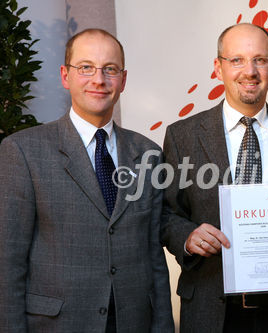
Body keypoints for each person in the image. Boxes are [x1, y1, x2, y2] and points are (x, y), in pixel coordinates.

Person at [161, 23, 268, 333]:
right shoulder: (182, 136)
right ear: (218, 68)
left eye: (260, 59)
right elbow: (166, 213)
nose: (250, 71)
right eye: (237, 60)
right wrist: (187, 237)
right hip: (213, 309)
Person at [0, 28, 174, 333]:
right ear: (66, 76)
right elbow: (8, 261)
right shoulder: (22, 151)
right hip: (57, 324)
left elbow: (153, 256)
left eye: (110, 69)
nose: (99, 79)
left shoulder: (148, 152)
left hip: (134, 322)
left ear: (123, 79)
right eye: (86, 68)